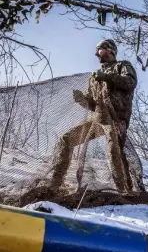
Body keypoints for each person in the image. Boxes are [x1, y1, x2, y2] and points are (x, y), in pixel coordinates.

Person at [50, 39, 138, 192]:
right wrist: (82, 100)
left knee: (114, 151)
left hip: (116, 119)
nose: (96, 54)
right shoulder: (93, 77)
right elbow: (92, 103)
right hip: (98, 118)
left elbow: (130, 83)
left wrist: (107, 77)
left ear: (110, 50)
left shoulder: (122, 66)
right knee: (66, 139)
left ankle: (125, 191)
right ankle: (55, 184)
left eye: (99, 50)